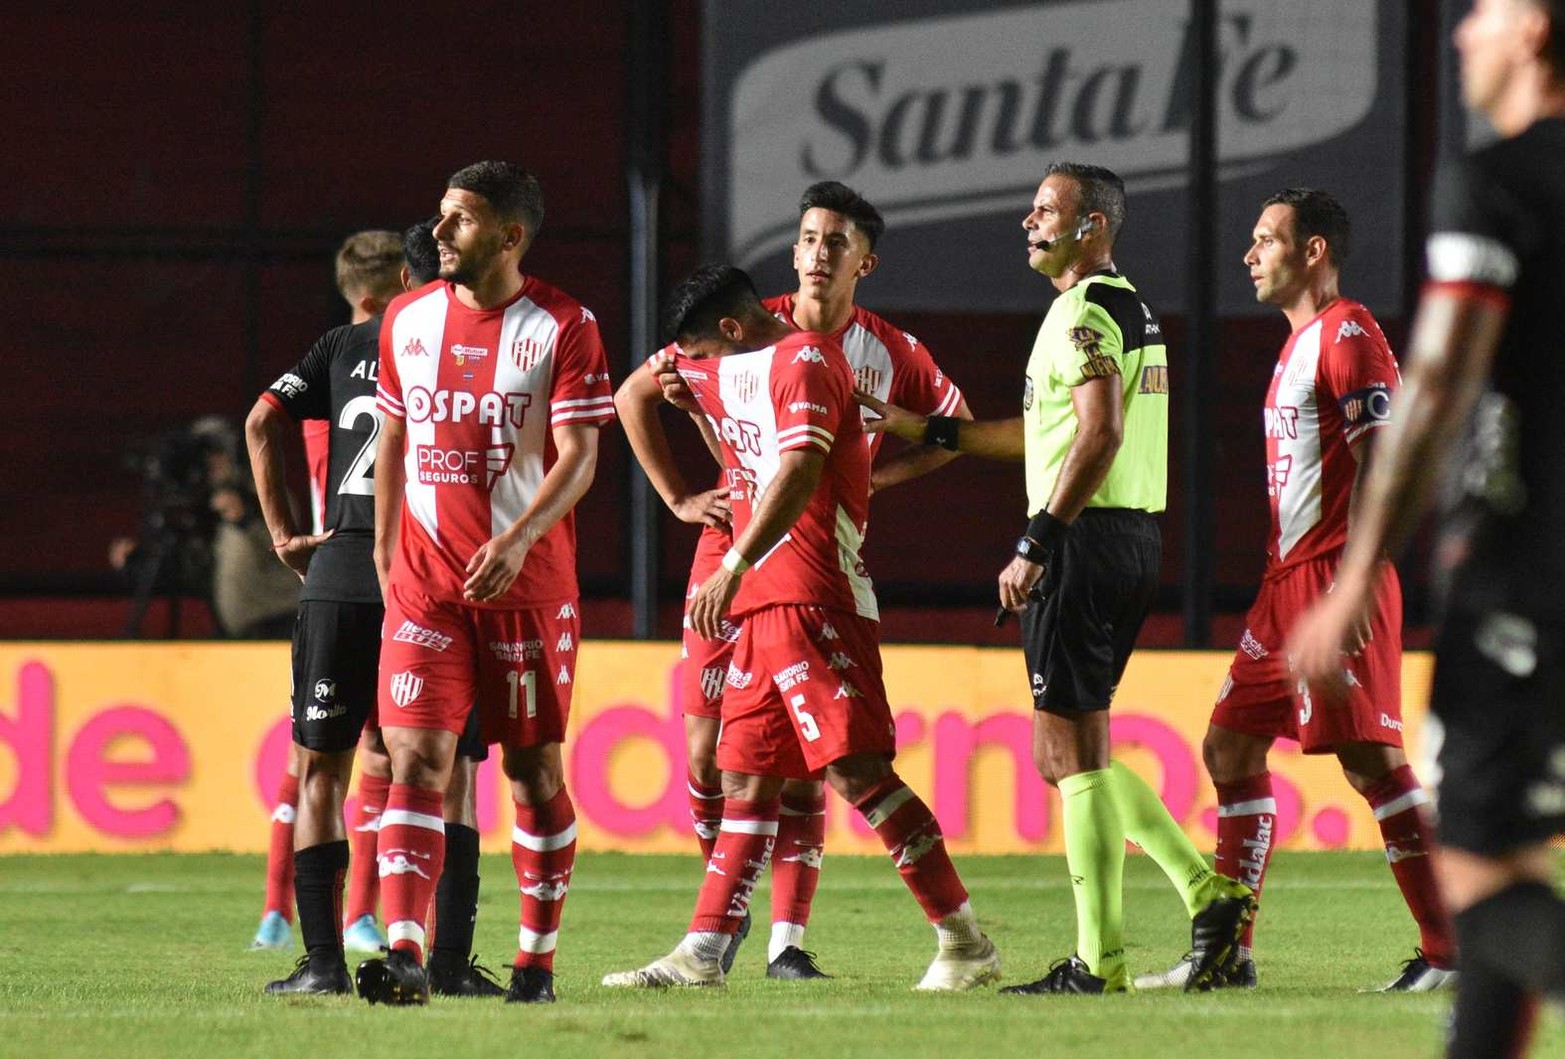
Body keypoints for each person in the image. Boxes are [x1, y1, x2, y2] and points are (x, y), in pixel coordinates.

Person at [860, 162, 1253, 994]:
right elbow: (1045, 435)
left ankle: (1115, 948)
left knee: (1064, 754)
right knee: (1072, 753)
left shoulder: (1085, 310)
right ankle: (1191, 901)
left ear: (1093, 226)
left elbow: (1098, 433)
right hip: (1126, 536)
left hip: (1080, 540)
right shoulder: (1121, 306)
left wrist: (1037, 540)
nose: (1028, 222)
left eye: (1046, 210)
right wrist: (922, 429)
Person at [1290, 2, 1565, 1054]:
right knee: (1512, 860)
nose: (1459, 36)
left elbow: (1439, 379)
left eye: (1481, 14)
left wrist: (1361, 567)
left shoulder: (1492, 183)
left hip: (1523, 572)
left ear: (1531, 30)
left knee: (1478, 873)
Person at [602, 265, 999, 992]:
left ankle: (964, 941)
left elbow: (799, 466)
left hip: (813, 593)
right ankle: (702, 951)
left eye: (707, 356)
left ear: (730, 331)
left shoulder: (808, 361)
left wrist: (735, 562)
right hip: (761, 601)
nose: (703, 373)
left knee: (857, 773)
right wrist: (678, 494)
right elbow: (641, 392)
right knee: (745, 777)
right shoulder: (736, 363)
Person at [1137, 190, 1454, 992]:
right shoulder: (1294, 347)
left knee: (1373, 761)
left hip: (1334, 573)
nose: (1249, 255)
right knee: (1229, 746)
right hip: (1283, 585)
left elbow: (1386, 461)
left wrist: (1351, 584)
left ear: (1312, 250)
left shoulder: (1347, 332)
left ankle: (1453, 955)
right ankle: (1226, 950)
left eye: (1264, 239)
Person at [355, 161, 615, 1006]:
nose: (439, 233)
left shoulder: (565, 326)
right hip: (426, 581)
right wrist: (388, 552)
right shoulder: (405, 318)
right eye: (440, 216)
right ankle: (404, 952)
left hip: (525, 586)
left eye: (459, 220)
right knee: (415, 758)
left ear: (509, 235)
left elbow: (578, 455)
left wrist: (519, 535)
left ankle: (534, 964)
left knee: (532, 773)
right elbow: (393, 437)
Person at [243, 229, 405, 987]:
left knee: (314, 761)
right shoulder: (432, 355)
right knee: (423, 763)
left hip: (334, 568)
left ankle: (300, 931)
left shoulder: (335, 368)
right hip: (414, 572)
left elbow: (260, 421)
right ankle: (407, 937)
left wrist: (285, 536)